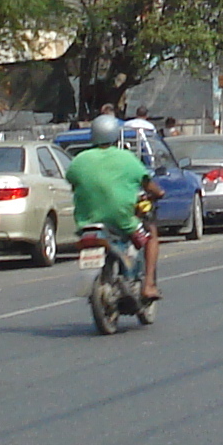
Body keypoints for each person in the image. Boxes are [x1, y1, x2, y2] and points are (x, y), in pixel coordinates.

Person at [66, 111, 159, 304]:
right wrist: (158, 194)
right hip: (122, 221)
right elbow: (150, 186)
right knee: (150, 235)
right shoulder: (128, 158)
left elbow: (73, 183)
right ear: (116, 135)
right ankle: (149, 284)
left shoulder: (79, 160)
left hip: (87, 223)